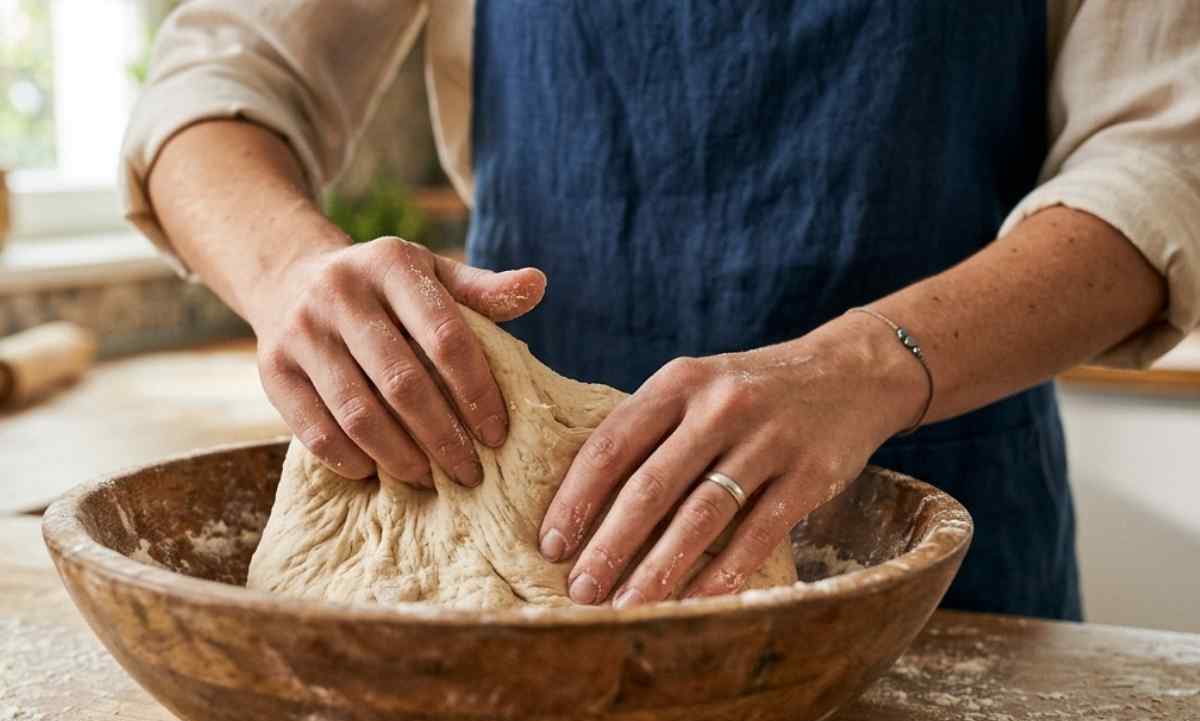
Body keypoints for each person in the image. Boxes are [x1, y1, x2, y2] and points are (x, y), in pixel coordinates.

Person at [121, 2, 1200, 618]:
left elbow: (1164, 155)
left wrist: (869, 362)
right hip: (508, 539)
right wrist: (287, 270)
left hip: (935, 530)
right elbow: (218, 80)